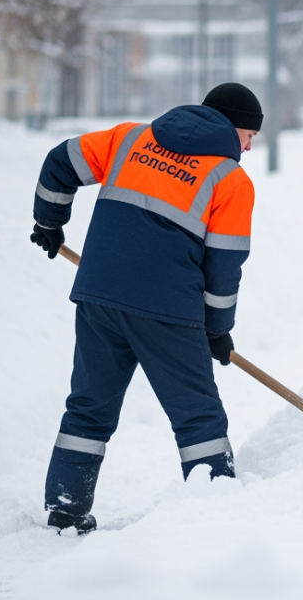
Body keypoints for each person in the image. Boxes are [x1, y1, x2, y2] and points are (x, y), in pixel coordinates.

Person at [29, 83, 262, 534]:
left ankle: (65, 507)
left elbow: (62, 160)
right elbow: (225, 265)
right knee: (198, 415)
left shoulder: (130, 139)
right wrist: (217, 328)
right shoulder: (230, 180)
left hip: (98, 294)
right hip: (168, 311)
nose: (250, 146)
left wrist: (49, 221)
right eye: (250, 134)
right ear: (233, 127)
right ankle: (216, 508)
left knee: (89, 406)